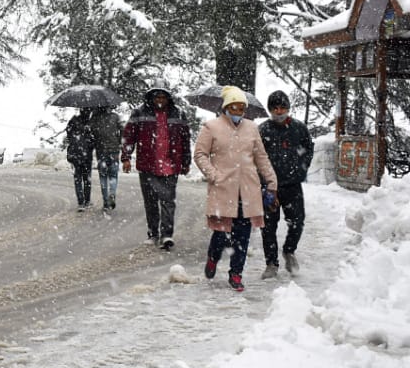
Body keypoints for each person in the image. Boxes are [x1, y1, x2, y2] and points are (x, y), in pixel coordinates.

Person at [192, 85, 277, 292]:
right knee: (221, 233)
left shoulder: (252, 128)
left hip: (248, 190)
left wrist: (271, 182)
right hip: (223, 188)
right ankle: (213, 258)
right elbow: (200, 154)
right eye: (235, 107)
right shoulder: (211, 127)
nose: (238, 112)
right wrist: (213, 175)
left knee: (243, 236)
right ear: (226, 107)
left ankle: (236, 274)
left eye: (242, 108)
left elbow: (261, 157)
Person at [121, 85, 191, 249]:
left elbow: (185, 139)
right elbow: (129, 136)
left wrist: (186, 162)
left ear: (168, 99)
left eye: (163, 97)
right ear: (151, 99)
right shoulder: (139, 113)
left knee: (168, 201)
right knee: (150, 201)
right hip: (148, 164)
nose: (160, 100)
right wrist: (126, 157)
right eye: (157, 97)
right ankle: (153, 233)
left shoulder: (178, 114)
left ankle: (167, 234)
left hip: (171, 164)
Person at [258, 90, 313, 278]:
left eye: (283, 108)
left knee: (297, 222)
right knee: (268, 226)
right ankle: (271, 263)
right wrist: (263, 182)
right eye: (275, 108)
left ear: (288, 108)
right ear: (270, 110)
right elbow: (256, 157)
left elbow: (307, 151)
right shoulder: (263, 130)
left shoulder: (299, 128)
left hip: (292, 185)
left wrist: (300, 170)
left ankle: (289, 250)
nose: (279, 112)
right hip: (269, 187)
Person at [90, 105, 123, 210]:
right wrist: (118, 142)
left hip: (101, 151)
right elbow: (122, 130)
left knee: (103, 176)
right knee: (113, 175)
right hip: (114, 150)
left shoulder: (94, 118)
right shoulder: (115, 117)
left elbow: (91, 134)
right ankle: (112, 193)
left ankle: (105, 202)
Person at [64, 108, 95, 211]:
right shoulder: (90, 124)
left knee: (78, 179)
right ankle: (87, 201)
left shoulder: (73, 121)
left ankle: (80, 202)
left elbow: (68, 135)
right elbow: (93, 140)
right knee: (87, 180)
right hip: (86, 156)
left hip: (76, 155)